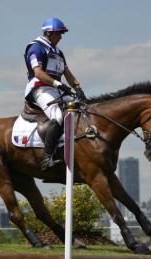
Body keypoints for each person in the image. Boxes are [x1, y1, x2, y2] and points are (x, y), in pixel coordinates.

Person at [24, 17, 86, 170]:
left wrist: (78, 88)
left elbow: (67, 73)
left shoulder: (58, 52)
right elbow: (38, 72)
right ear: (49, 33)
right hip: (40, 89)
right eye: (59, 33)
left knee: (81, 108)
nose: (61, 37)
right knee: (58, 117)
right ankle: (47, 158)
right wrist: (58, 84)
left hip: (55, 89)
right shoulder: (36, 48)